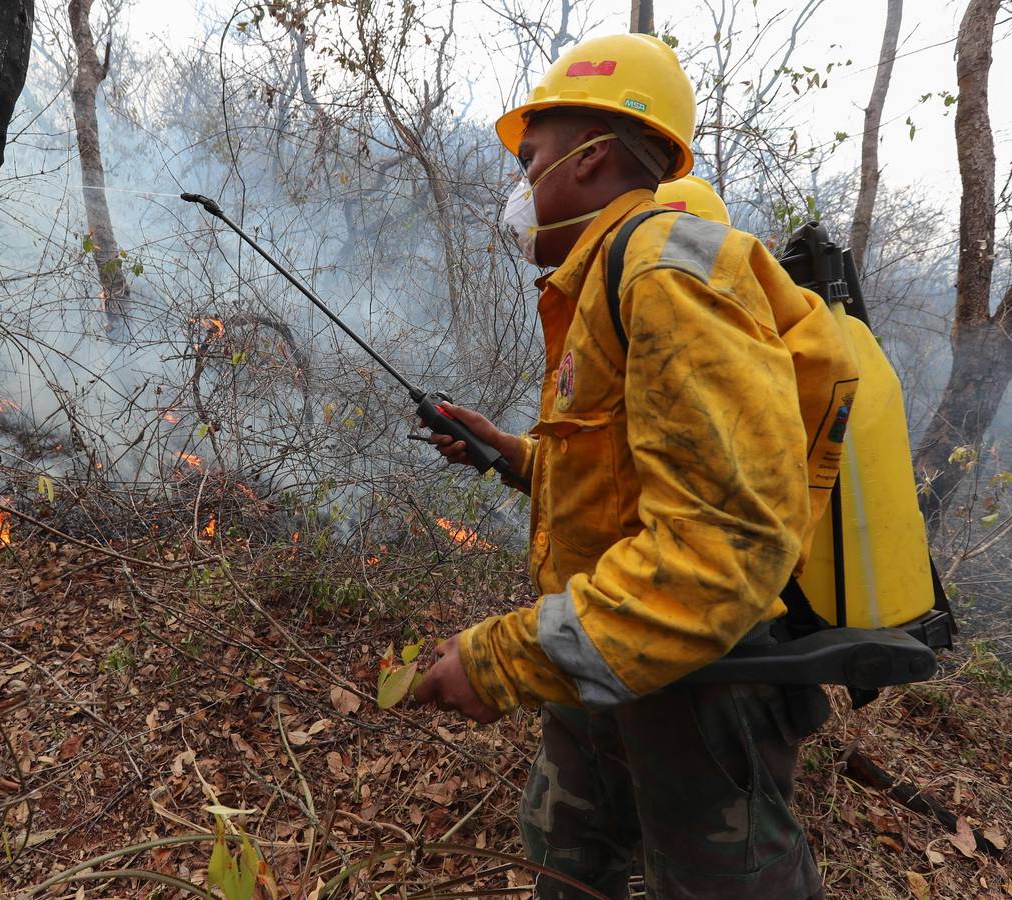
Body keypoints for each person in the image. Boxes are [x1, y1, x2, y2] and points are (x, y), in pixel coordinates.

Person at [412, 33, 858, 899]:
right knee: (566, 869)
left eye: (530, 158)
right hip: (602, 666)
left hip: (700, 692)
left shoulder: (665, 277)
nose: (520, 185)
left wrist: (502, 658)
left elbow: (721, 549)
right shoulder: (605, 281)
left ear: (592, 159)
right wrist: (513, 457)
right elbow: (630, 482)